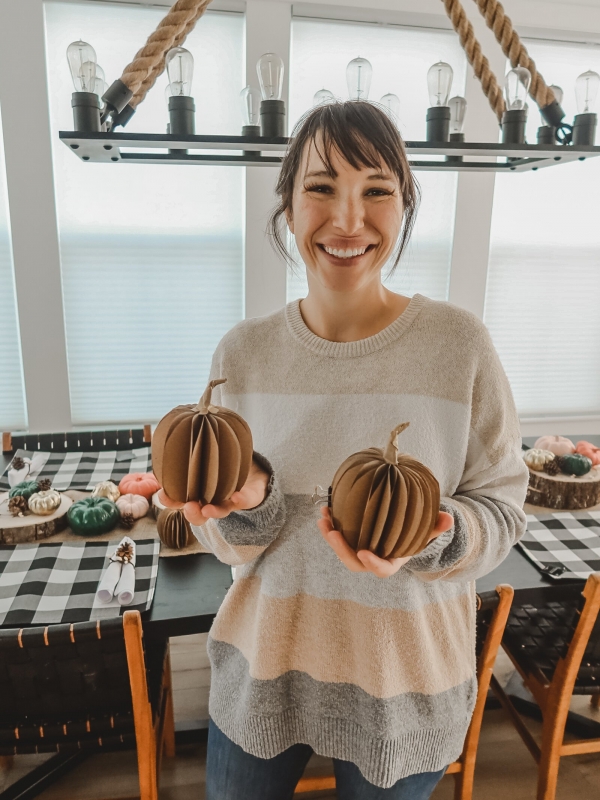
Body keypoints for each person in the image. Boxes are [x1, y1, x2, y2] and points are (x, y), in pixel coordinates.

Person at [159, 100, 529, 799]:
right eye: (321, 187)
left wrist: (435, 536)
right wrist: (249, 502)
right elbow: (232, 545)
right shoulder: (244, 353)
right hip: (264, 670)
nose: (349, 220)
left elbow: (504, 505)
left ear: (406, 203)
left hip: (407, 685)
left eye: (377, 191)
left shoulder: (460, 345)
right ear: (288, 205)